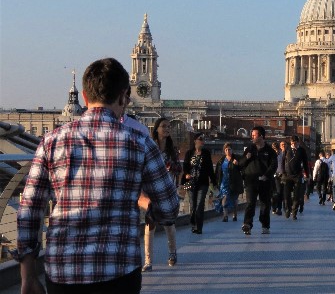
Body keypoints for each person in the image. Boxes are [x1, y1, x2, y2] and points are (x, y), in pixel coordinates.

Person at [15, 58, 179, 294]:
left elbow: (30, 210)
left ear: (84, 96)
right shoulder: (140, 142)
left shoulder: (51, 142)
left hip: (64, 272)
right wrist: (143, 203)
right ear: (124, 97)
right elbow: (170, 208)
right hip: (119, 272)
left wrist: (28, 277)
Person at [143, 118, 181, 271]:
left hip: (167, 190)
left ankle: (172, 253)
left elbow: (178, 168)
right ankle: (148, 261)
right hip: (152, 190)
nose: (167, 129)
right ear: (156, 129)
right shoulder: (150, 147)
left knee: (169, 225)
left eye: (169, 126)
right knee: (149, 226)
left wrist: (171, 166)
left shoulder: (172, 149)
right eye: (164, 126)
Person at [239, 126, 277, 235]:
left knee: (265, 204)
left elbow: (273, 165)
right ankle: (247, 224)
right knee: (250, 203)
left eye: (254, 135)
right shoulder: (249, 149)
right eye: (252, 136)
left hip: (265, 181)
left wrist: (266, 175)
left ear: (261, 136)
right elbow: (241, 163)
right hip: (251, 180)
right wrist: (247, 158)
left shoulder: (269, 151)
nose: (252, 137)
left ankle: (265, 225)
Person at [182, 133, 216, 235]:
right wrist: (187, 174)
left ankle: (199, 227)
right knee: (192, 205)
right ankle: (193, 223)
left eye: (203, 139)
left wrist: (214, 181)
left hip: (203, 182)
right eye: (200, 139)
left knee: (200, 204)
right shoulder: (189, 153)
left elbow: (210, 168)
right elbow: (185, 166)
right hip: (191, 182)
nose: (202, 141)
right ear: (195, 141)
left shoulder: (206, 153)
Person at [214, 142, 243, 222]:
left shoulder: (237, 158)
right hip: (224, 182)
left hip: (234, 182)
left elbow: (243, 167)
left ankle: (235, 214)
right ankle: (225, 215)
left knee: (234, 199)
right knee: (224, 197)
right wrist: (216, 182)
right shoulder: (221, 160)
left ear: (232, 150)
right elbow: (217, 172)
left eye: (229, 149)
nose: (228, 151)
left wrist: (238, 164)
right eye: (226, 150)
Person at [281, 135, 309, 220]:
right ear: (290, 143)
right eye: (292, 143)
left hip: (297, 175)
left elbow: (305, 163)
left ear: (298, 142)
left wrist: (307, 175)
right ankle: (287, 209)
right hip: (288, 175)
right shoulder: (287, 150)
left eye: (295, 143)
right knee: (287, 194)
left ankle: (294, 212)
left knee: (297, 196)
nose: (294, 144)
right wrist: (283, 173)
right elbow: (282, 162)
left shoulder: (301, 151)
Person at [272, 140, 286, 215]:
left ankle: (279, 208)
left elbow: (283, 164)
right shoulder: (271, 155)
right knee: (275, 193)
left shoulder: (282, 154)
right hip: (273, 175)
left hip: (280, 175)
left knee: (280, 192)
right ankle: (274, 207)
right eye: (274, 149)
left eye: (277, 149)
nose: (276, 150)